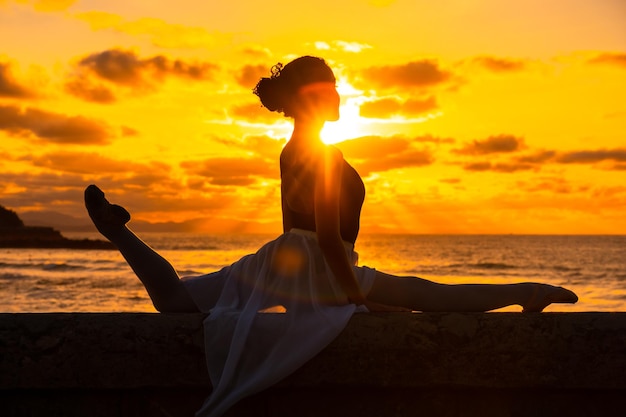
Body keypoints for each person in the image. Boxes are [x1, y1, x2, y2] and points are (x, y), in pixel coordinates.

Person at [84, 55, 578, 417]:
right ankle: (529, 292)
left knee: (174, 299)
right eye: (331, 90)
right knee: (425, 294)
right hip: (320, 260)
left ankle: (118, 232)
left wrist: (286, 280)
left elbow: (288, 227)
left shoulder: (290, 147)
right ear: (309, 98)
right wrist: (353, 297)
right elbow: (324, 237)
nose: (340, 97)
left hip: (281, 259)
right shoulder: (324, 154)